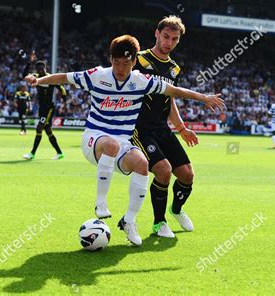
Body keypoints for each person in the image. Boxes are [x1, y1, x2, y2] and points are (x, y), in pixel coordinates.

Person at [25, 35, 224, 245]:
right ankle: (100, 204)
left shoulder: (141, 81)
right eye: (116, 62)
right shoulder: (97, 75)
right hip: (94, 139)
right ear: (111, 60)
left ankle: (129, 220)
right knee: (111, 144)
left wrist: (203, 98)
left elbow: (174, 91)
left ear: (134, 62)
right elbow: (64, 77)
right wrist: (39, 80)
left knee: (142, 163)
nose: (120, 68)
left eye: (126, 63)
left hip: (123, 143)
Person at [131, 16, 200, 238]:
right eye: (166, 36)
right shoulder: (138, 60)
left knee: (187, 175)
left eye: (174, 39)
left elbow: (170, 102)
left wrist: (182, 128)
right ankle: (159, 223)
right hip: (140, 129)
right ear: (156, 34)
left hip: (162, 129)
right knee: (163, 171)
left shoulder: (174, 69)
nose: (169, 42)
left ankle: (176, 210)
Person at [22, 51, 67, 160]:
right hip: (42, 108)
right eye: (39, 69)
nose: (41, 70)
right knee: (48, 131)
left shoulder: (51, 78)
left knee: (39, 128)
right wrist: (29, 63)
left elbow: (61, 89)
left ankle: (32, 153)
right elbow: (24, 76)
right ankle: (60, 153)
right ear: (37, 70)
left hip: (49, 108)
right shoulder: (36, 78)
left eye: (43, 68)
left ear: (45, 68)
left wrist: (64, 101)